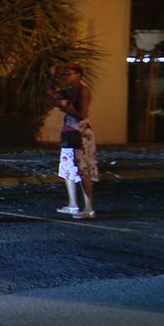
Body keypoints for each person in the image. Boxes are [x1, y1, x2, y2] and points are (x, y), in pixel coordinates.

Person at [48, 62, 99, 219]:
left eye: (68, 74)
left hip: (80, 132)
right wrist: (52, 76)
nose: (66, 77)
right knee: (68, 168)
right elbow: (51, 94)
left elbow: (82, 115)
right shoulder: (71, 91)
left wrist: (62, 107)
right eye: (65, 74)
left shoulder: (82, 91)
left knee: (83, 170)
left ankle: (89, 208)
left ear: (78, 75)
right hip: (70, 131)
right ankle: (72, 204)